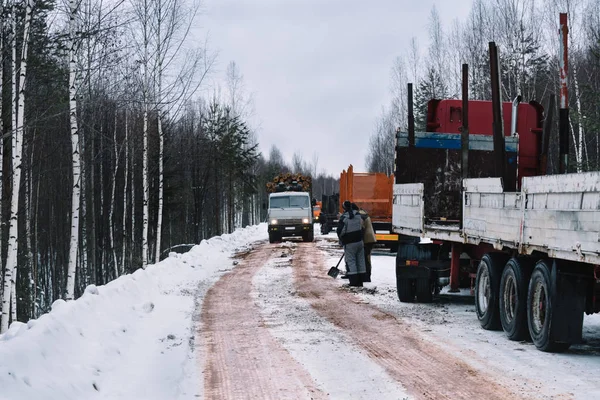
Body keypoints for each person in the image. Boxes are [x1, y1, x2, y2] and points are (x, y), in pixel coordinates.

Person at [337, 200, 366, 287]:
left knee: (351, 261)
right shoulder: (358, 215)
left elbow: (340, 231)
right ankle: (361, 281)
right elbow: (362, 226)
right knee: (360, 260)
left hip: (350, 243)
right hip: (360, 242)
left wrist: (341, 239)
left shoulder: (344, 218)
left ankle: (353, 281)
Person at [352, 203, 376, 282]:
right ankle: (366, 276)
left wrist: (357, 239)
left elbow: (361, 229)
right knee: (366, 258)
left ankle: (367, 277)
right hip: (369, 238)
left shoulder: (360, 216)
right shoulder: (363, 213)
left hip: (367, 239)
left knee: (366, 259)